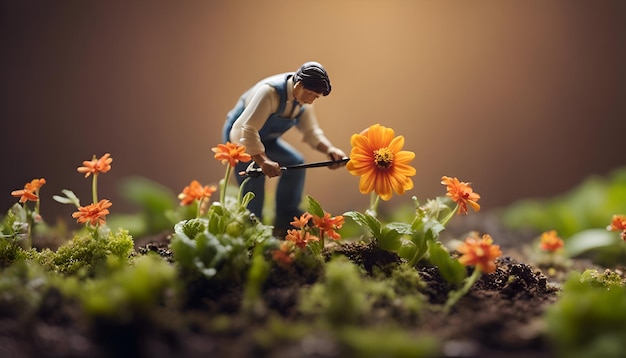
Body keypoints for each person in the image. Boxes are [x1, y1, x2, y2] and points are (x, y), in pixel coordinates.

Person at [223, 61, 346, 233]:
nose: (311, 101)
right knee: (254, 179)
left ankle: (286, 215)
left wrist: (329, 150)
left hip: (266, 142)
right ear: (298, 84)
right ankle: (252, 226)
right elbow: (245, 129)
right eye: (310, 94)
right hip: (240, 141)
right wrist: (263, 161)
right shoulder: (270, 93)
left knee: (295, 162)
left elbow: (311, 132)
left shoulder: (303, 102)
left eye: (315, 97)